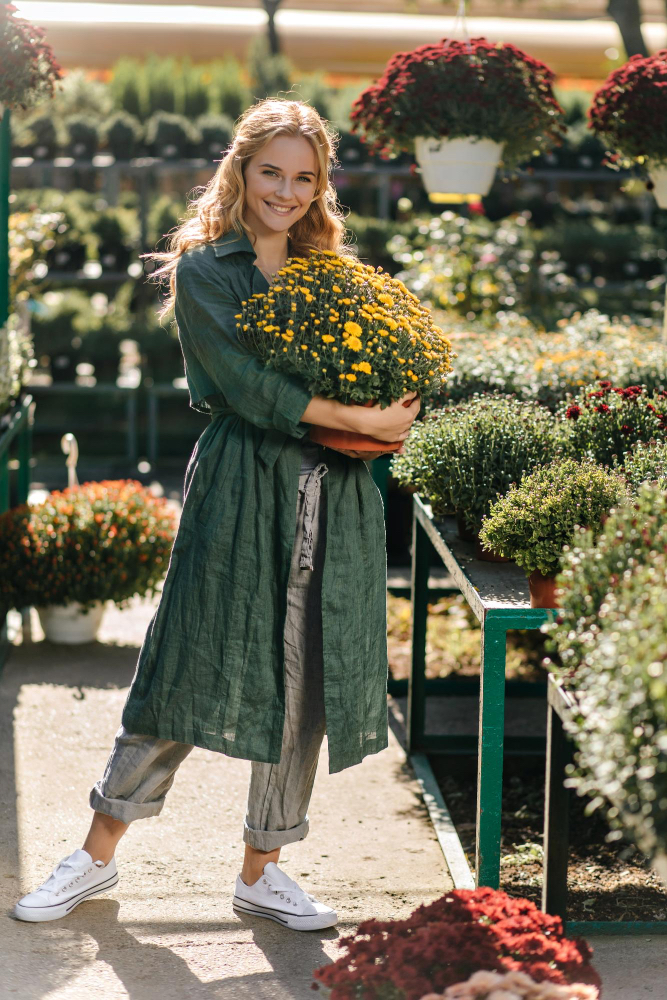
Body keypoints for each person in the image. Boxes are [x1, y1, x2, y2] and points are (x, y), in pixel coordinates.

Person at [14, 98, 420, 931]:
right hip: (243, 488)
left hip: (333, 499)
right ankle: (92, 859)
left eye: (304, 178)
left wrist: (385, 411)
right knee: (187, 664)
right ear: (240, 171)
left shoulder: (332, 272)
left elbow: (375, 367)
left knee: (304, 680)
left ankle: (261, 871)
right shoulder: (203, 272)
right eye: (271, 172)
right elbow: (244, 388)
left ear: (320, 187)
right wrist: (364, 422)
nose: (286, 191)